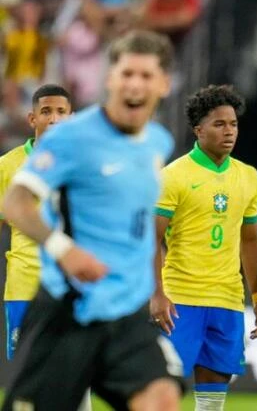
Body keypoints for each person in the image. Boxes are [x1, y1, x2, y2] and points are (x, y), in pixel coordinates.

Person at [0, 30, 182, 411]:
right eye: (127, 73)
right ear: (110, 79)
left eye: (146, 75)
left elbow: (140, 223)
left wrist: (153, 288)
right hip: (70, 310)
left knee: (162, 400)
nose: (135, 84)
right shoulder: (70, 138)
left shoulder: (158, 144)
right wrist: (64, 250)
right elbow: (16, 203)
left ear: (163, 83)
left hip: (126, 314)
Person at [151, 84, 257, 411]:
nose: (229, 131)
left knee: (212, 401)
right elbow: (152, 238)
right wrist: (157, 293)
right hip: (180, 300)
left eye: (233, 124)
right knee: (163, 393)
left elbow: (249, 240)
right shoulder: (173, 176)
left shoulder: (248, 176)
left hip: (227, 300)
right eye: (219, 124)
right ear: (198, 130)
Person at [1, 84, 72, 361]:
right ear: (32, 119)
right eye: (46, 111)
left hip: (71, 285)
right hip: (24, 285)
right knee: (25, 366)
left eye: (61, 112)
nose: (54, 118)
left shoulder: (83, 164)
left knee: (75, 366)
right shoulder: (8, 166)